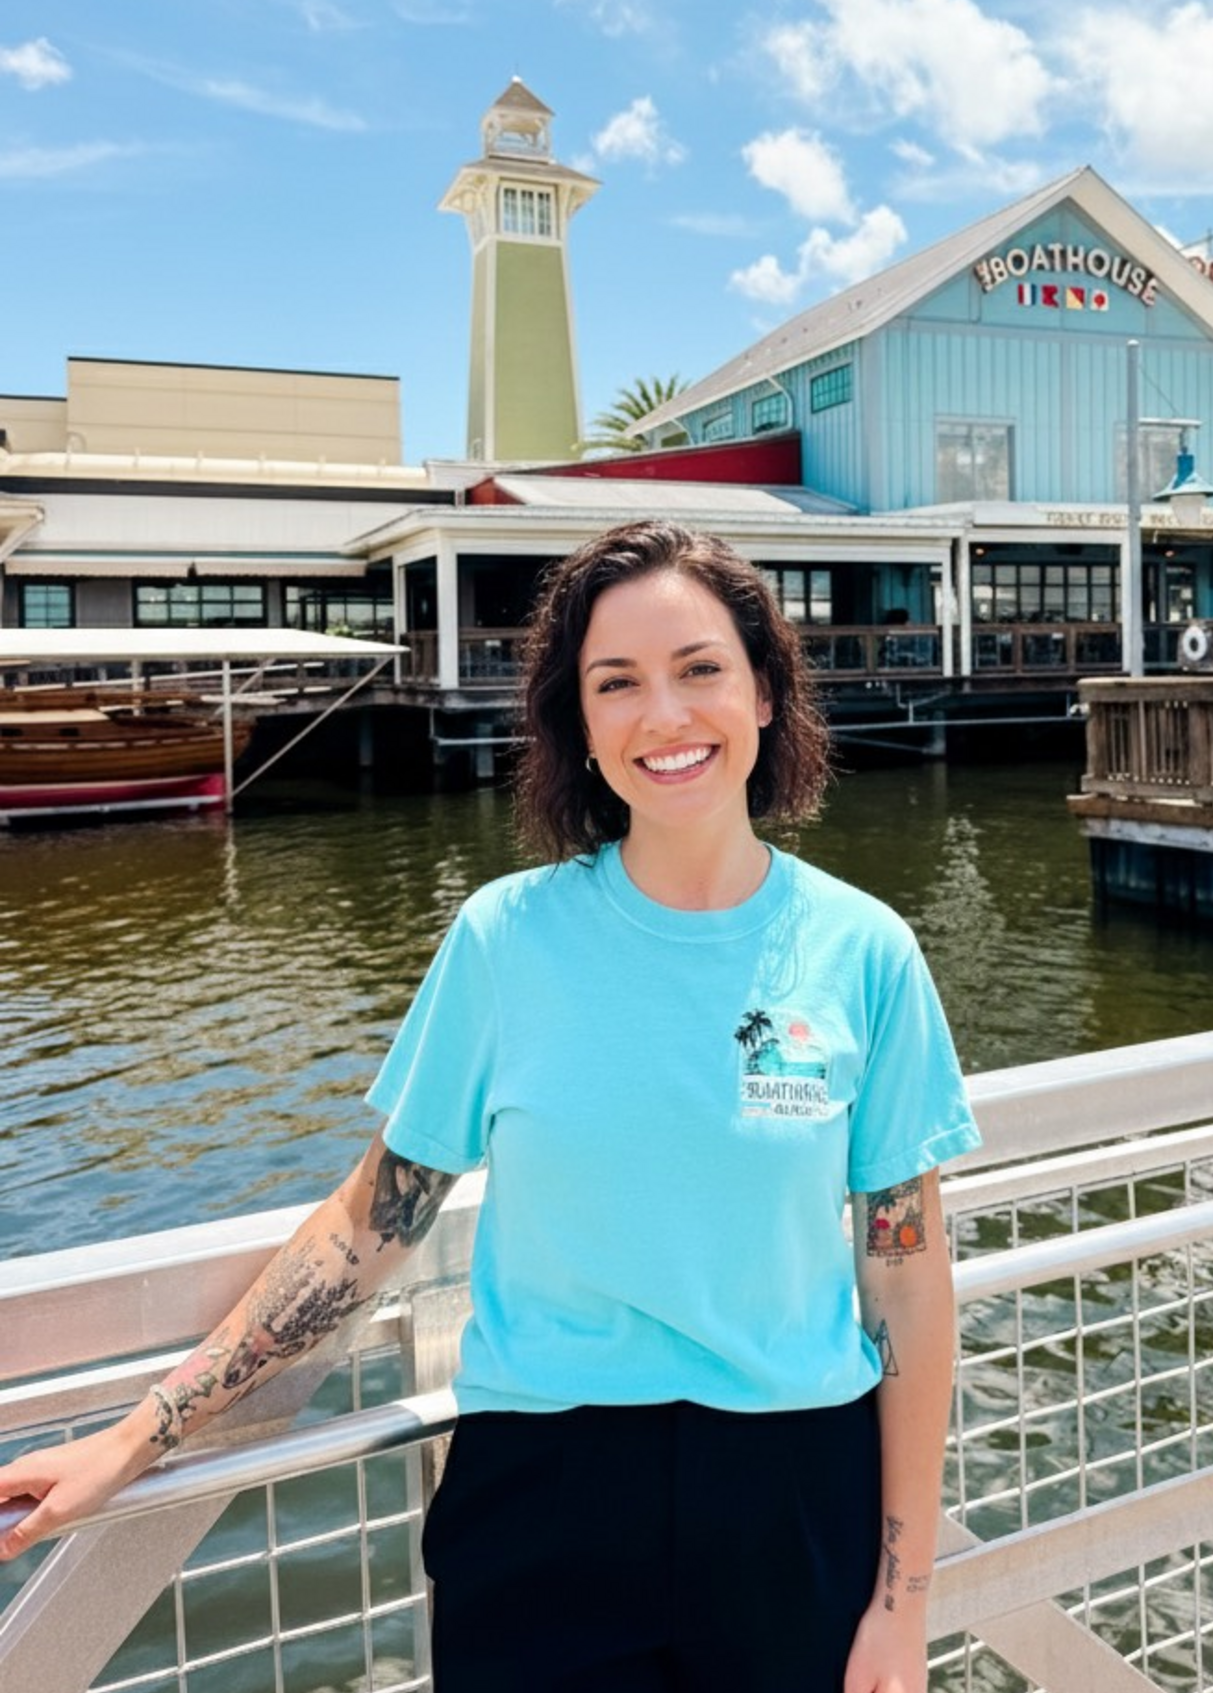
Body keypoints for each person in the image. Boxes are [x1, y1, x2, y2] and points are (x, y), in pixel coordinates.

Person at [0, 518, 981, 1693]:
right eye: (615, 683)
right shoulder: (505, 940)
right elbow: (371, 1226)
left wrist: (902, 1599)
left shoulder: (865, 952)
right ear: (579, 723)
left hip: (793, 1497)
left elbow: (909, 1289)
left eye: (701, 669)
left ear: (765, 693)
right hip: (544, 1497)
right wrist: (134, 1435)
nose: (663, 716)